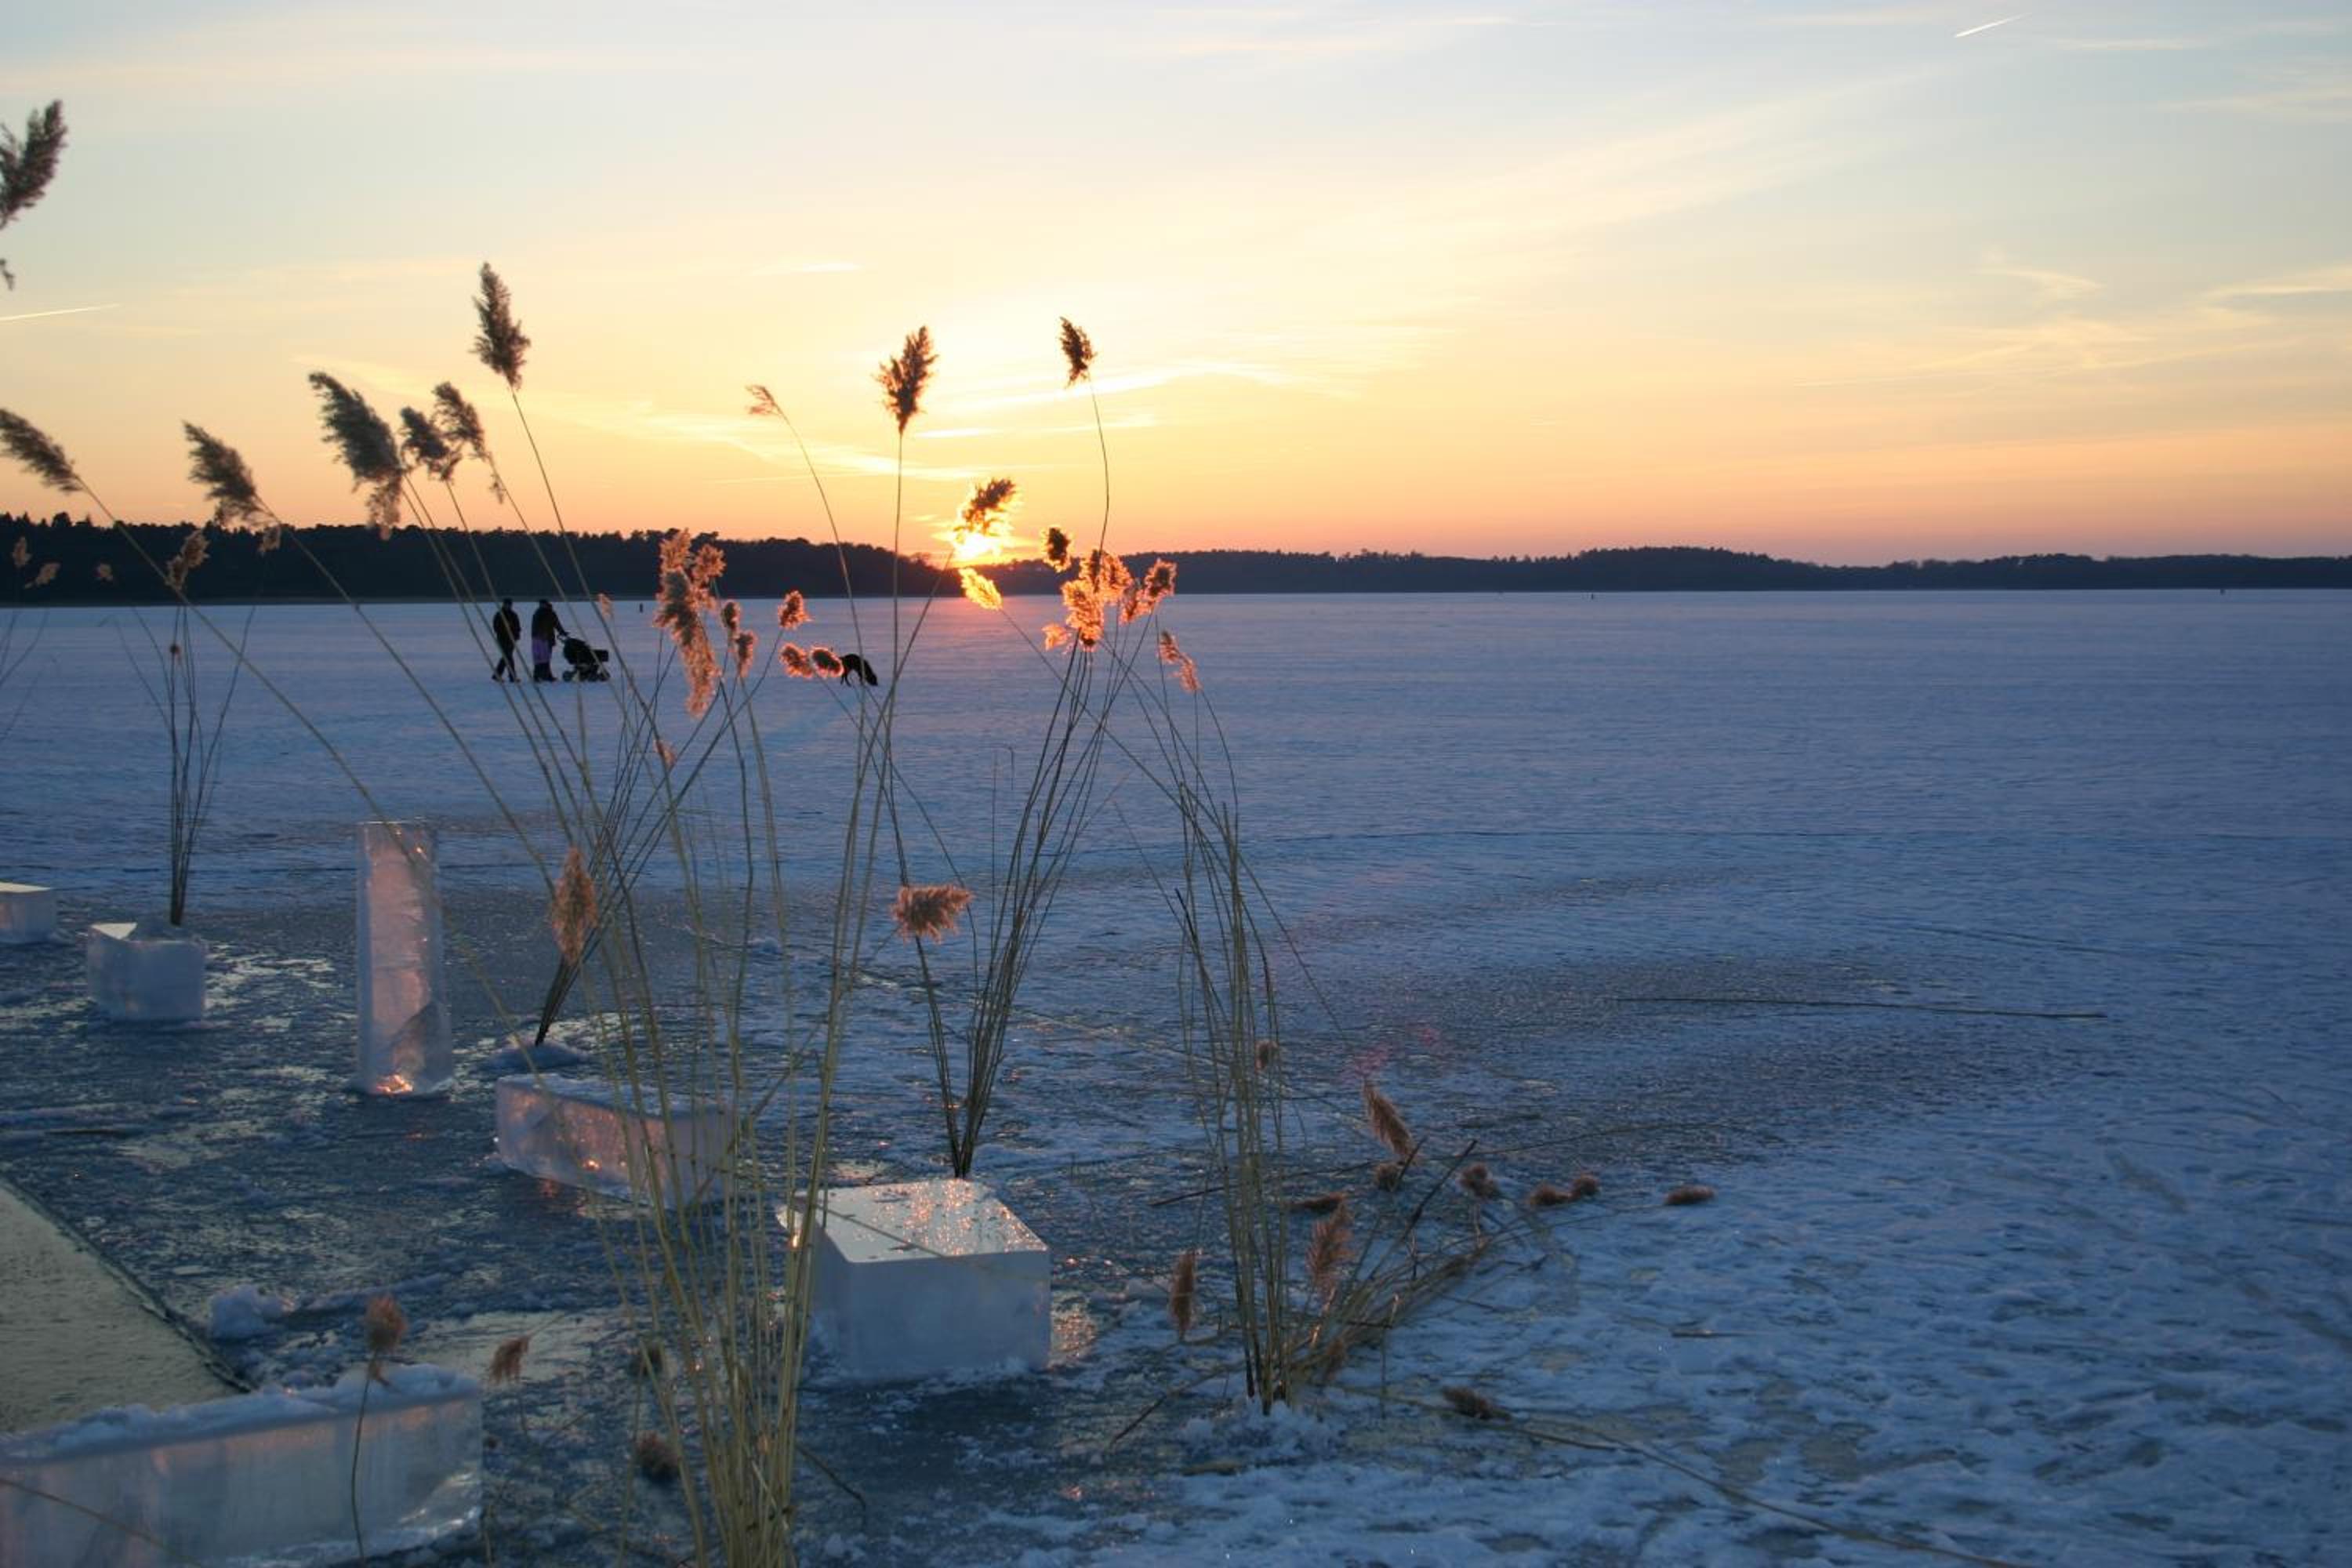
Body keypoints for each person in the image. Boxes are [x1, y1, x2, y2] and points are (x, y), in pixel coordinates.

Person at [529, 599, 564, 682]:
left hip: (548, 638)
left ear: (546, 604)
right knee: (540, 658)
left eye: (543, 604)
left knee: (546, 658)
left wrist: (562, 632)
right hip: (540, 639)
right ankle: (538, 676)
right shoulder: (538, 613)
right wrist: (538, 635)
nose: (541, 605)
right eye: (540, 604)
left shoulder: (551, 613)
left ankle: (546, 675)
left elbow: (556, 624)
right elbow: (535, 627)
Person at [488, 597, 521, 681]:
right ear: (504, 605)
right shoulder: (499, 615)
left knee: (506, 657)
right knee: (508, 657)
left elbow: (518, 626)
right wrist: (505, 629)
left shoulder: (513, 615)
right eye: (507, 604)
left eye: (510, 605)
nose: (508, 606)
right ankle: (512, 676)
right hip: (503, 639)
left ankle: (498, 675)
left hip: (512, 639)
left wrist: (516, 635)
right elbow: (496, 627)